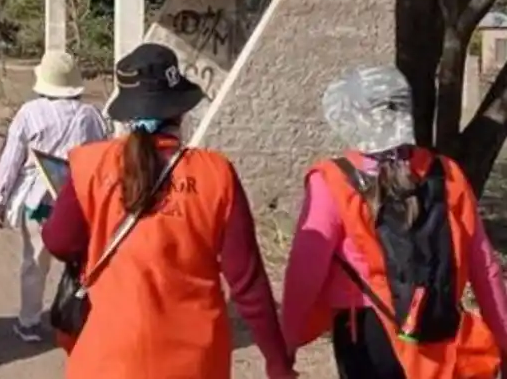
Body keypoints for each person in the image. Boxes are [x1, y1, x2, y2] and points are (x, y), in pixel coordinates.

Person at [41, 43, 295, 378]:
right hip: (195, 362)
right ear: (180, 110)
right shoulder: (216, 174)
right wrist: (278, 363)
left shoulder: (91, 165)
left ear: (127, 112)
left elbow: (60, 242)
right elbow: (248, 282)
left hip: (109, 357)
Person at [281, 65, 507, 378]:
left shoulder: (331, 181)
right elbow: (485, 267)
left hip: (366, 335)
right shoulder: (448, 173)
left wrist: (287, 342)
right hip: (437, 326)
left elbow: (305, 273)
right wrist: (503, 339)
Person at [0, 50, 108, 344]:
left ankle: (29, 322)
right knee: (81, 263)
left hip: (39, 202)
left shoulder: (30, 113)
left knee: (34, 262)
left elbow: (11, 159)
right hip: (80, 200)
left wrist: (0, 198)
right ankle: (82, 317)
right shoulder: (92, 115)